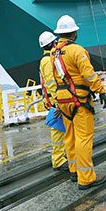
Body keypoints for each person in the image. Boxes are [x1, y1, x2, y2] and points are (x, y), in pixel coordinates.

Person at [51, 15, 106, 190]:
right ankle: (86, 178)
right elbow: (89, 75)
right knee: (84, 138)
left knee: (70, 136)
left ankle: (74, 171)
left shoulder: (54, 53)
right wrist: (101, 90)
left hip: (63, 99)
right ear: (73, 34)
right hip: (79, 100)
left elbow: (55, 77)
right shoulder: (77, 50)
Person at [38, 31, 67, 171]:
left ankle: (61, 156)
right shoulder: (47, 61)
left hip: (54, 101)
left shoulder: (46, 59)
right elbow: (51, 83)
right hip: (56, 102)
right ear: (52, 44)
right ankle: (58, 160)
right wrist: (58, 102)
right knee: (57, 132)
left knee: (61, 131)